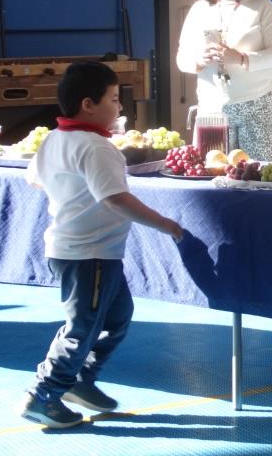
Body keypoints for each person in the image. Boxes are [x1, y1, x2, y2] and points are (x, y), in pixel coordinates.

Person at [20, 61, 183, 429]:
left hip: (86, 253)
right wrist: (164, 223)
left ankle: (80, 379)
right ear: (88, 105)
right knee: (82, 328)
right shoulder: (97, 148)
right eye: (113, 99)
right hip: (89, 255)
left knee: (117, 316)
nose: (119, 106)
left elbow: (35, 178)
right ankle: (43, 394)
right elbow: (115, 199)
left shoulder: (55, 139)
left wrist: (70, 190)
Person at [176, 0, 272, 161]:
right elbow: (182, 59)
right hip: (213, 109)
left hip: (259, 106)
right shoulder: (199, 10)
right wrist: (198, 60)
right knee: (212, 172)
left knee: (262, 173)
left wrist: (241, 58)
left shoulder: (262, 6)